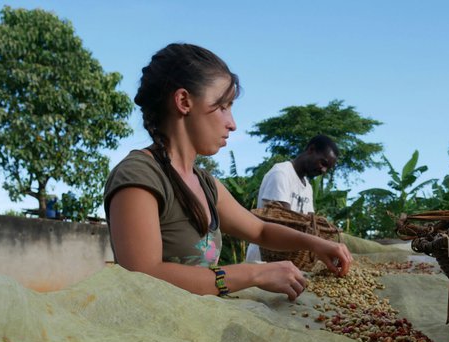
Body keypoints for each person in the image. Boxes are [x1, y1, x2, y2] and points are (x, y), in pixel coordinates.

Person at [103, 44, 352, 301]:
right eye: (223, 107)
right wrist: (253, 274)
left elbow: (260, 231)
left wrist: (315, 243)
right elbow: (144, 274)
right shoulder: (139, 177)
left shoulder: (206, 184)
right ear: (184, 101)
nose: (232, 124)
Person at [245, 136, 339, 262]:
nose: (323, 170)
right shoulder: (281, 173)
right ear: (311, 150)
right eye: (323, 163)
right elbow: (284, 222)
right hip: (265, 259)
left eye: (328, 168)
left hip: (288, 259)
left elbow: (311, 225)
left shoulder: (308, 188)